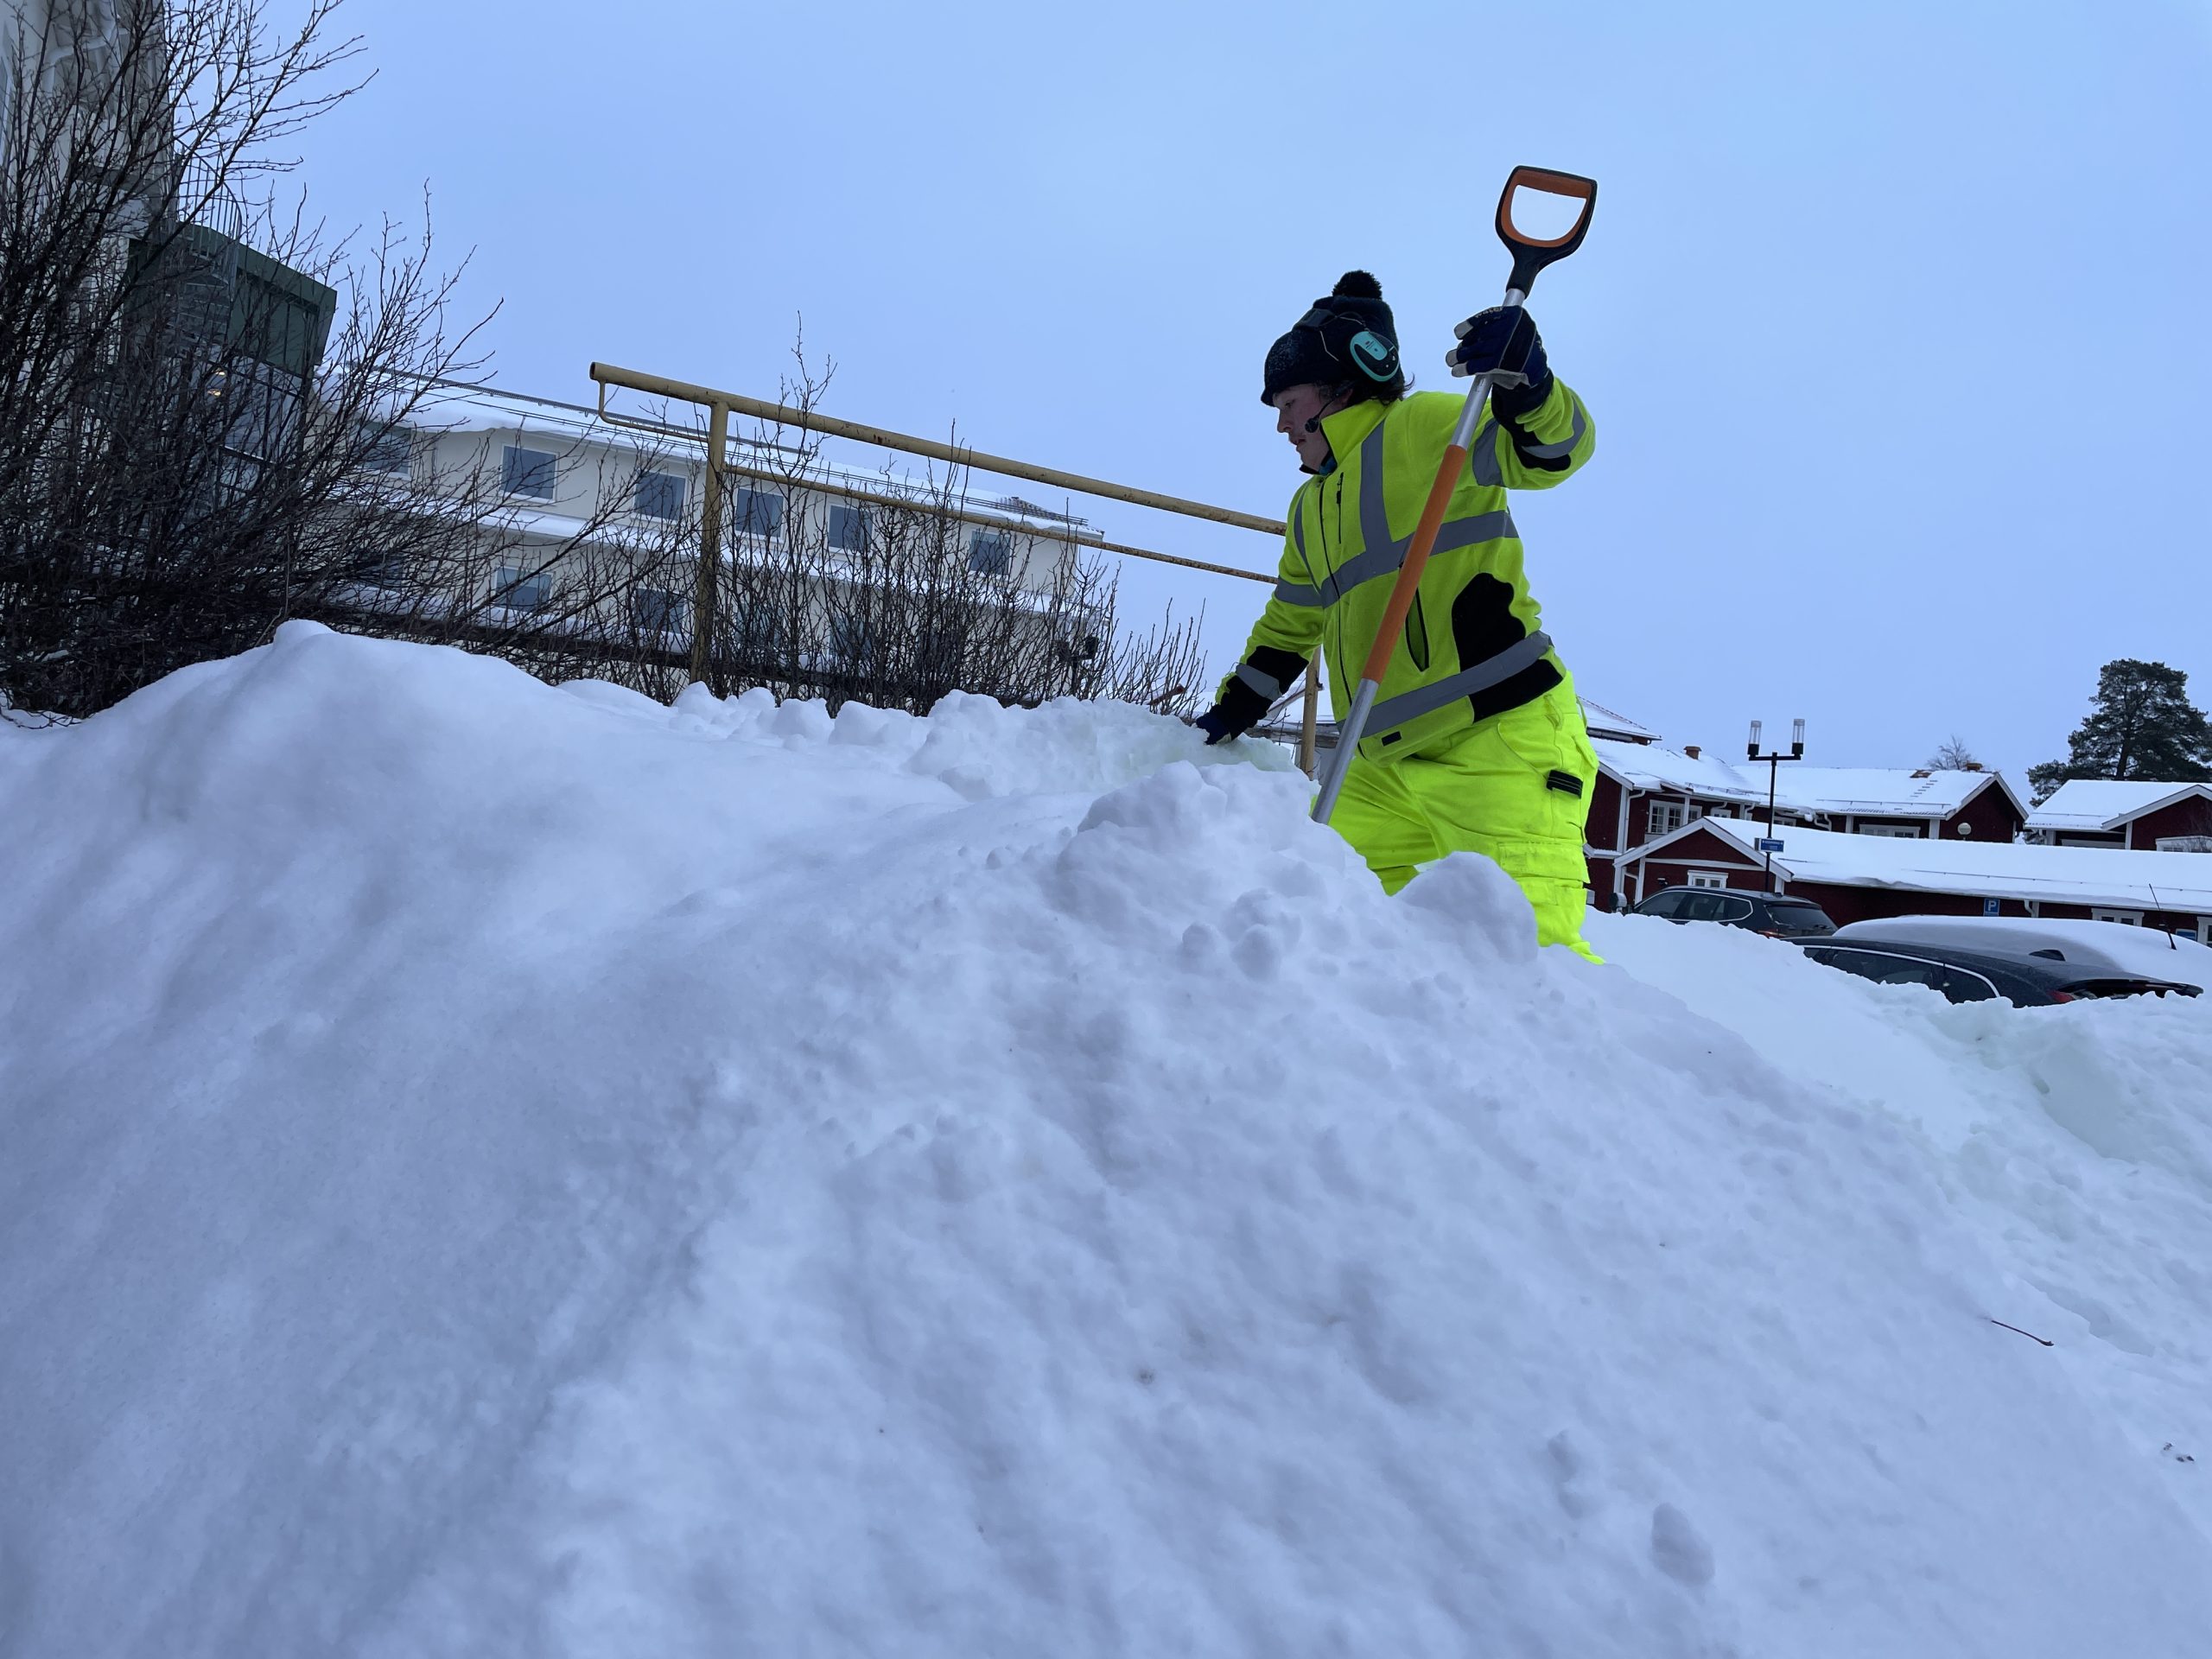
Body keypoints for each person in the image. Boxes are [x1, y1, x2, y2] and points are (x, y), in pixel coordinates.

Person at [1193, 271, 1602, 960]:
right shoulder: (1310, 510)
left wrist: (1530, 388)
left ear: (1339, 389)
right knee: (1337, 942)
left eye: (1289, 402)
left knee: (1529, 965)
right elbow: (1290, 625)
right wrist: (1229, 713)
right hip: (1377, 769)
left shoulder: (1429, 428)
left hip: (1494, 739)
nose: (1281, 425)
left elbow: (1554, 454)